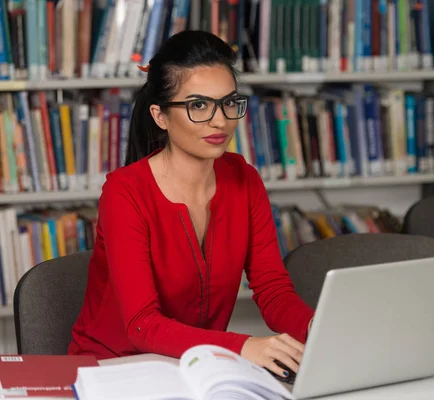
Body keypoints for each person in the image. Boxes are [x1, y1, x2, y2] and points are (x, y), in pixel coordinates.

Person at [68, 30, 315, 379]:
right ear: (161, 116)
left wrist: (318, 330)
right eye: (198, 105)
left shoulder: (245, 181)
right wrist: (243, 346)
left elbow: (273, 289)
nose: (220, 120)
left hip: (198, 367)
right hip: (113, 369)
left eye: (229, 102)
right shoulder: (125, 192)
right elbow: (143, 325)